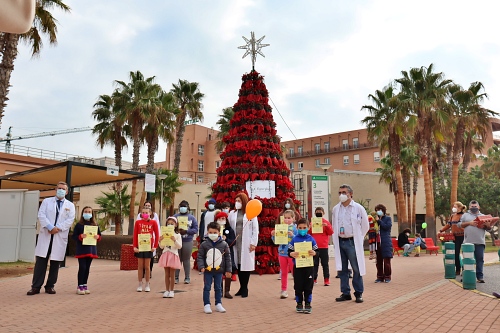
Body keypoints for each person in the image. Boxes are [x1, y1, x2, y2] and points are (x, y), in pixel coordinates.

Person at [27, 181, 76, 296]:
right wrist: (50, 227)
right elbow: (41, 215)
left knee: (55, 263)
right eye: (59, 188)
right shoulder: (46, 201)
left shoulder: (70, 205)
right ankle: (35, 287)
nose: (61, 190)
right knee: (40, 263)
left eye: (63, 189)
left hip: (59, 236)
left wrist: (57, 228)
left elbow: (70, 220)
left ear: (67, 192)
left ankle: (50, 286)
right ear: (55, 189)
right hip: (46, 234)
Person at [332, 184, 369, 303]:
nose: (341, 195)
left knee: (356, 268)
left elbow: (365, 226)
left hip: (352, 242)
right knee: (342, 269)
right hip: (340, 241)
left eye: (344, 192)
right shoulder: (336, 209)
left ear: (350, 194)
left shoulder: (358, 208)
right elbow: (334, 226)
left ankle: (358, 293)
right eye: (340, 193)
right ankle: (345, 292)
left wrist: (359, 237)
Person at [228, 192, 259, 298]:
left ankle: (245, 288)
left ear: (244, 201)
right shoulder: (232, 213)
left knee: (246, 265)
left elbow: (255, 229)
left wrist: (253, 243)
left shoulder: (250, 213)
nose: (237, 203)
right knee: (239, 265)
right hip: (236, 242)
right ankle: (241, 288)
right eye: (236, 201)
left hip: (246, 242)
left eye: (239, 201)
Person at [197, 222, 232, 314]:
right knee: (207, 287)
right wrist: (201, 266)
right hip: (208, 270)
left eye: (215, 232)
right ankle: (207, 305)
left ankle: (218, 304)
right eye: (210, 232)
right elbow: (200, 256)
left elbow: (228, 258)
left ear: (219, 233)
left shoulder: (224, 244)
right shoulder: (204, 244)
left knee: (218, 287)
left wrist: (228, 270)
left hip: (219, 270)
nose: (213, 234)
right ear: (207, 233)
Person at [457, 200, 493, 283]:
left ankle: (479, 277)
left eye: (475, 206)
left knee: (480, 259)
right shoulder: (465, 215)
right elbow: (459, 224)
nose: (474, 208)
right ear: (469, 207)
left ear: (479, 207)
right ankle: (466, 276)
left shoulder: (484, 216)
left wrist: (488, 226)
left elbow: (489, 229)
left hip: (480, 242)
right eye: (472, 206)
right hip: (467, 242)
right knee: (467, 259)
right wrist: (469, 223)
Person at [288, 218, 318, 314]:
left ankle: (308, 303)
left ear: (308, 228)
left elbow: (317, 251)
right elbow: (289, 251)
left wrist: (314, 253)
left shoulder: (311, 239)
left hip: (309, 267)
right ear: (297, 228)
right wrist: (291, 254)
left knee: (308, 286)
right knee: (298, 286)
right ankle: (299, 303)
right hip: (298, 267)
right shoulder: (294, 239)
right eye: (300, 228)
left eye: (304, 228)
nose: (302, 229)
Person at [72, 206, 101, 295]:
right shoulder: (79, 225)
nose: (87, 213)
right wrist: (80, 236)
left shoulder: (95, 225)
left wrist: (98, 237)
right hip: (82, 249)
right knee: (82, 267)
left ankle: (85, 285)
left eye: (89, 212)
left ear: (92, 214)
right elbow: (74, 236)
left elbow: (99, 235)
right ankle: (79, 286)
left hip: (91, 249)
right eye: (86, 211)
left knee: (87, 268)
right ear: (82, 213)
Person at [271, 209, 298, 298]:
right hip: (282, 253)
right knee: (283, 272)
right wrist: (273, 235)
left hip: (292, 254)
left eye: (289, 218)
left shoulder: (295, 228)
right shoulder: (280, 227)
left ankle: (297, 291)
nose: (287, 220)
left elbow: (299, 240)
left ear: (293, 218)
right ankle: (284, 290)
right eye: (285, 218)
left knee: (295, 273)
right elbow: (276, 241)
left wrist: (292, 235)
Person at [133, 207, 159, 292]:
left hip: (148, 247)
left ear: (150, 213)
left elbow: (157, 235)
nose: (145, 214)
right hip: (140, 247)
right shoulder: (138, 222)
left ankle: (147, 284)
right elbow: (135, 235)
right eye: (143, 212)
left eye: (147, 212)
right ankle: (140, 284)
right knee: (140, 266)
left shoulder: (153, 222)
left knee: (147, 266)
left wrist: (154, 246)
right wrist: (135, 246)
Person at [173, 200, 199, 284]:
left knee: (186, 259)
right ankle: (176, 277)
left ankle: (187, 277)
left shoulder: (192, 218)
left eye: (184, 206)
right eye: (181, 206)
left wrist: (187, 231)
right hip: (176, 241)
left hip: (187, 241)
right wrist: (177, 231)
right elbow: (169, 226)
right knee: (177, 259)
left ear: (188, 208)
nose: (182, 208)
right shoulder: (175, 217)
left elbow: (195, 229)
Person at [158, 216, 182, 298]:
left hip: (173, 255)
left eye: (172, 223)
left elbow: (180, 246)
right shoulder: (164, 234)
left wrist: (174, 240)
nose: (170, 225)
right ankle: (166, 290)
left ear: (176, 225)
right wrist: (160, 241)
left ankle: (172, 291)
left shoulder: (177, 235)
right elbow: (161, 247)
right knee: (166, 274)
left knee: (172, 274)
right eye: (168, 224)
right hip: (166, 254)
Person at [308, 207, 333, 286]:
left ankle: (326, 279)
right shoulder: (312, 223)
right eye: (317, 212)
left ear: (323, 213)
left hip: (324, 246)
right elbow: (308, 233)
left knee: (325, 264)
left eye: (320, 212)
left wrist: (326, 226)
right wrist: (310, 228)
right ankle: (314, 279)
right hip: (314, 246)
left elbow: (331, 232)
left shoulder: (326, 222)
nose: (318, 213)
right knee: (314, 264)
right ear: (315, 213)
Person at [440, 201, 466, 275]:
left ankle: (465, 268)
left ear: (460, 208)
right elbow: (448, 225)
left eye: (455, 206)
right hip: (455, 237)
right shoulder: (453, 216)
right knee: (456, 253)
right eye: (453, 206)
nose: (453, 208)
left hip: (464, 236)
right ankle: (458, 269)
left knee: (465, 253)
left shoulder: (464, 216)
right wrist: (441, 230)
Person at [215, 211, 236, 299]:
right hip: (218, 254)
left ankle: (227, 291)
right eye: (220, 218)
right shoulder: (214, 229)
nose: (221, 220)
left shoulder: (229, 229)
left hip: (228, 253)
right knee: (219, 272)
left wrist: (226, 239)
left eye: (223, 218)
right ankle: (219, 291)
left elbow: (233, 241)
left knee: (228, 272)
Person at [136, 201, 160, 278]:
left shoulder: (154, 217)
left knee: (149, 259)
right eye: (146, 205)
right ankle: (142, 274)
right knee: (141, 262)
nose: (145, 214)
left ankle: (149, 273)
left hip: (150, 241)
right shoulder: (139, 218)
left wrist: (155, 244)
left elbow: (157, 229)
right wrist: (135, 245)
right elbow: (136, 231)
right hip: (141, 241)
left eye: (149, 206)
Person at [374, 204, 393, 283]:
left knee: (386, 260)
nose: (378, 212)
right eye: (376, 210)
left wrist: (379, 221)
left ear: (383, 210)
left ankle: (387, 276)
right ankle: (380, 276)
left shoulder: (388, 218)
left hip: (385, 242)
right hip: (377, 242)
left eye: (379, 210)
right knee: (378, 261)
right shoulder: (376, 220)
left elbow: (386, 227)